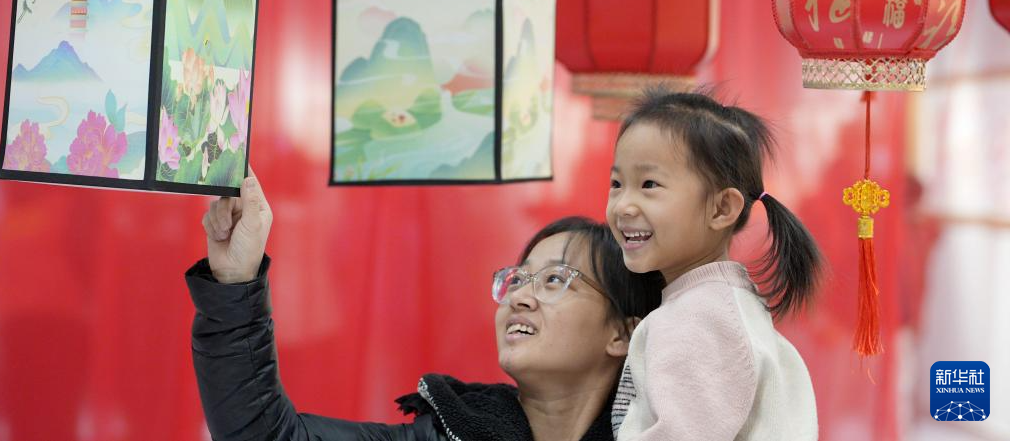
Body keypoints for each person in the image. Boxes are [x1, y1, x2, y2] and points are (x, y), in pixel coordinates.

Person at [187, 175, 664, 441]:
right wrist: (235, 280)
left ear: (622, 334)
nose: (519, 296)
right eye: (517, 279)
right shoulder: (444, 433)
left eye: (555, 280)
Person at [606, 88, 823, 440]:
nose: (622, 206)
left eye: (649, 184)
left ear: (721, 209)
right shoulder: (717, 306)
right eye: (617, 184)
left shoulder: (700, 318)